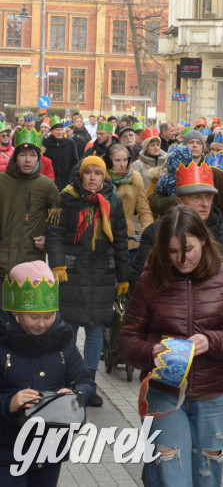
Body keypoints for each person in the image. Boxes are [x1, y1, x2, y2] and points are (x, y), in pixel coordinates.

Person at [119, 205, 223, 486]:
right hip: (164, 392)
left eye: (189, 249)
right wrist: (151, 351)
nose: (182, 259)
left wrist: (212, 341)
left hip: (214, 395)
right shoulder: (149, 281)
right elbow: (126, 341)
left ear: (204, 240)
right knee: (173, 476)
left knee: (207, 476)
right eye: (172, 251)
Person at [0, 261, 95, 486]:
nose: (42, 324)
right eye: (34, 317)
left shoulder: (63, 340)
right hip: (7, 450)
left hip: (49, 449)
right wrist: (9, 403)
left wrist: (76, 395)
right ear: (16, 311)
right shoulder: (4, 343)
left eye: (49, 316)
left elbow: (85, 381)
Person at [45, 155, 129, 406]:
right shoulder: (66, 197)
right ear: (80, 175)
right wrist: (57, 264)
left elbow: (120, 239)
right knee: (69, 328)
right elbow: (54, 233)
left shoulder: (113, 199)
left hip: (102, 272)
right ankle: (67, 380)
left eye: (98, 173)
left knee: (95, 329)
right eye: (88, 173)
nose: (93, 178)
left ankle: (88, 384)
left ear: (104, 176)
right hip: (72, 272)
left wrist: (123, 276)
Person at [133, 159, 223, 284]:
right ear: (180, 202)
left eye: (209, 197)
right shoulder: (156, 233)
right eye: (197, 197)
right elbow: (139, 281)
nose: (205, 204)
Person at [0, 129, 58, 278]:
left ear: (38, 158)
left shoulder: (46, 186)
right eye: (23, 155)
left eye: (33, 155)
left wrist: (49, 239)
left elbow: (62, 219)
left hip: (30, 266)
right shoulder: (2, 181)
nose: (27, 160)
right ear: (15, 157)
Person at [104, 143, 153, 262]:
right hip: (102, 234)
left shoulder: (135, 179)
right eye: (117, 160)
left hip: (126, 235)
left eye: (125, 160)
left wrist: (149, 232)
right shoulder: (100, 177)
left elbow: (144, 210)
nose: (122, 164)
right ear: (109, 161)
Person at [41, 121, 79, 190]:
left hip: (66, 180)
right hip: (50, 180)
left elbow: (74, 161)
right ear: (51, 131)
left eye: (61, 130)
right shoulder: (45, 143)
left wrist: (70, 175)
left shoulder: (70, 143)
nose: (59, 132)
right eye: (57, 130)